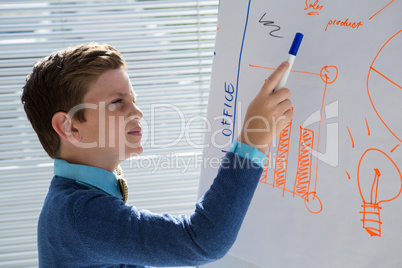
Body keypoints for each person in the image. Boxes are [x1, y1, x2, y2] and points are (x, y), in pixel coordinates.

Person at [21, 42, 293, 267]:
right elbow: (203, 241)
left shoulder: (76, 202)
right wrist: (252, 141)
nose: (137, 112)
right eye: (118, 102)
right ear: (70, 126)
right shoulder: (81, 214)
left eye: (133, 100)